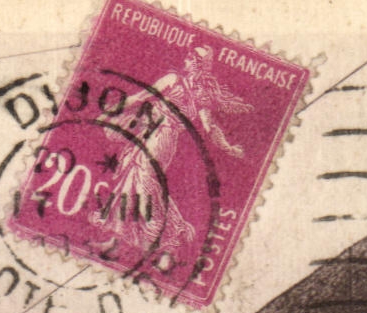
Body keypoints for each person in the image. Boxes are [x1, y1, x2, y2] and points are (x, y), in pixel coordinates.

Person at [95, 44, 251, 256]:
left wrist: (227, 147)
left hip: (163, 137)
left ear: (197, 65)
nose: (185, 62)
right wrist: (114, 111)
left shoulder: (201, 94)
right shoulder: (172, 80)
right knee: (131, 178)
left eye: (189, 59)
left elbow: (208, 127)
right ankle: (118, 238)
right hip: (148, 127)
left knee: (144, 182)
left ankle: (164, 236)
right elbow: (140, 97)